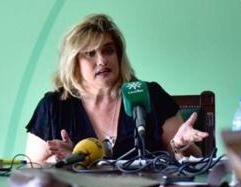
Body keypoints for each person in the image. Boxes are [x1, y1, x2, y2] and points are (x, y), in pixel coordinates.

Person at [24, 14, 207, 164]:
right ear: (74, 62)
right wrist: (70, 159)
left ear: (119, 56)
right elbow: (33, 168)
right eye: (90, 54)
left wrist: (181, 145)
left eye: (108, 50)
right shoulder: (53, 107)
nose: (102, 60)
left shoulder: (149, 95)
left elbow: (195, 159)